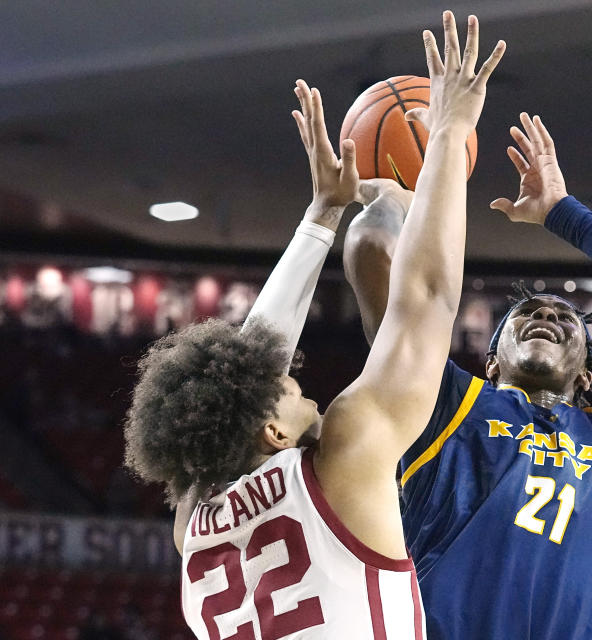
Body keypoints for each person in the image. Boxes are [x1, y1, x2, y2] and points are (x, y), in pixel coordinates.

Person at [123, 12, 505, 639]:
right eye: (296, 389)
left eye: (298, 387)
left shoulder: (196, 522)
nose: (308, 388)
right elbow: (428, 299)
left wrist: (321, 216)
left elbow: (242, 374)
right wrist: (449, 132)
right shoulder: (344, 459)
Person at [343, 114, 592, 637]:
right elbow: (372, 249)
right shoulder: (444, 399)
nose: (546, 316)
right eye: (525, 315)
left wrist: (563, 214)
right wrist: (397, 195)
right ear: (490, 362)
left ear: (584, 379)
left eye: (564, 319)